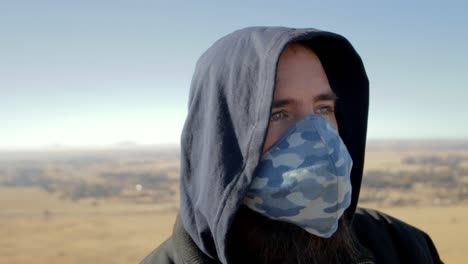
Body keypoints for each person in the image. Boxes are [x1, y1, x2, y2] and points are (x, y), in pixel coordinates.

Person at [141, 27, 442, 264]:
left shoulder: (401, 247)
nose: (317, 137)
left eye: (324, 108)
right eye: (278, 114)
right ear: (222, 135)